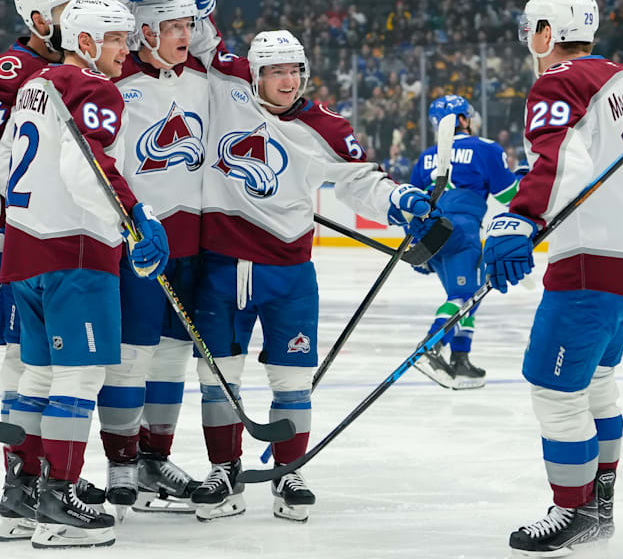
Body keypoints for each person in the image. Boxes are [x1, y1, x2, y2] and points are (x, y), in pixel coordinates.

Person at [189, 29, 441, 523]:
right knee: (217, 377)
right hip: (221, 267)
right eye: (275, 72)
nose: (288, 81)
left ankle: (289, 470)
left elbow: (358, 180)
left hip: (289, 273)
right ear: (254, 76)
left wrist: (399, 200)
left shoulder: (325, 125)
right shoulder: (226, 96)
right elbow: (201, 44)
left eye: (294, 70)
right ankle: (224, 469)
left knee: (293, 379)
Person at [483, 0, 623, 555]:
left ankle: (574, 510)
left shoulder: (556, 81)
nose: (529, 42)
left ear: (546, 33)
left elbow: (557, 158)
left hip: (593, 267)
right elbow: (614, 155)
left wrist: (520, 220)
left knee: (554, 388)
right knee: (597, 384)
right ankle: (599, 505)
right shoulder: (622, 79)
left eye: (531, 29)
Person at [0, 0, 169, 549]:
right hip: (75, 255)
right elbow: (87, 164)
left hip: (25, 252)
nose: (130, 48)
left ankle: (21, 491)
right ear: (88, 43)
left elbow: (2, 167)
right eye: (118, 39)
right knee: (78, 380)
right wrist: (135, 220)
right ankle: (60, 498)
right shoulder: (95, 89)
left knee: (38, 377)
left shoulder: (34, 85)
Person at [0, 0, 90, 543]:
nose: (77, 20)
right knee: (28, 363)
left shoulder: (72, 67)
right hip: (20, 238)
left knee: (57, 363)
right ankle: (23, 482)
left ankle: (37, 480)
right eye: (65, 11)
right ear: (38, 20)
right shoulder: (15, 69)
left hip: (66, 237)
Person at [94, 0, 215, 513]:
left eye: (188, 27)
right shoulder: (115, 80)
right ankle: (120, 462)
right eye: (173, 28)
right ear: (143, 32)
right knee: (130, 356)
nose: (185, 37)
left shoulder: (203, 77)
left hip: (192, 244)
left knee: (171, 358)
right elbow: (98, 20)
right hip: (138, 241)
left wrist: (200, 3)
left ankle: (152, 459)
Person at [409, 94, 520, 388]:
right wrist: (523, 178)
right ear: (461, 119)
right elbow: (508, 195)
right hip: (462, 231)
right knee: (466, 296)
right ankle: (430, 347)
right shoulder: (485, 148)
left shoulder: (426, 156)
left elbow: (413, 202)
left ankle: (460, 360)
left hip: (431, 233)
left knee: (469, 295)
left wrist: (417, 246)